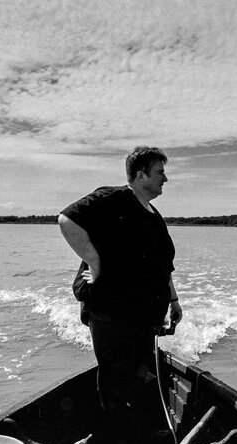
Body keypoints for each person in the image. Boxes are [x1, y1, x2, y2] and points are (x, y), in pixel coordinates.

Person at [58, 146, 182, 411]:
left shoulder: (155, 217)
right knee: (115, 376)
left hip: (143, 317)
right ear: (141, 176)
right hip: (110, 313)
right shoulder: (112, 198)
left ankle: (139, 424)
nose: (165, 179)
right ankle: (117, 432)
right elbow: (66, 219)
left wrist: (174, 300)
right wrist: (94, 261)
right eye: (160, 172)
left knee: (140, 371)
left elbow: (164, 266)